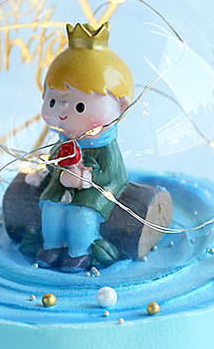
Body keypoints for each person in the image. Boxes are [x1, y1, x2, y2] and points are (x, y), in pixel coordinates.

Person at [25, 22, 134, 272]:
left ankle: (79, 252)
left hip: (97, 189)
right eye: (54, 101)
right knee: (51, 209)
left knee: (81, 215)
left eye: (80, 106)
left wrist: (86, 179)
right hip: (60, 186)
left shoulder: (104, 147)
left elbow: (112, 174)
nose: (63, 112)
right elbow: (53, 160)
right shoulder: (64, 141)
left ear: (121, 106)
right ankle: (52, 247)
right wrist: (43, 171)